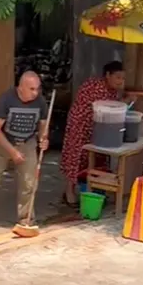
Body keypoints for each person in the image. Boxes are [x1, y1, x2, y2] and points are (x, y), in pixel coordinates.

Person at [0, 71, 50, 232]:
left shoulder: (40, 102)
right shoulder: (6, 100)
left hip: (27, 142)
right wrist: (12, 151)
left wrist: (43, 139)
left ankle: (26, 219)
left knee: (29, 183)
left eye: (37, 89)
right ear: (20, 88)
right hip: (1, 142)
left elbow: (43, 124)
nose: (35, 93)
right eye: (31, 89)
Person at [59, 61, 129, 206]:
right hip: (80, 126)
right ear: (107, 75)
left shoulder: (112, 91)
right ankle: (69, 192)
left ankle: (95, 191)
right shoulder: (95, 87)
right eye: (118, 77)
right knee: (76, 158)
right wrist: (126, 101)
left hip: (97, 128)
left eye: (123, 78)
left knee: (96, 160)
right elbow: (108, 107)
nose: (121, 81)